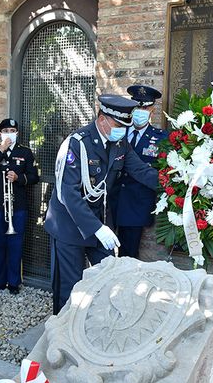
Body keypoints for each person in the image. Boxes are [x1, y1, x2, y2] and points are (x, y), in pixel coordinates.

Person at [45, 94, 158, 314]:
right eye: (118, 125)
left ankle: (94, 329)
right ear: (103, 118)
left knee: (108, 278)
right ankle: (61, 336)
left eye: (126, 126)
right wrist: (98, 229)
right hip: (69, 224)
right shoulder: (77, 143)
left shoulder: (120, 142)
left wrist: (181, 182)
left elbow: (141, 171)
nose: (123, 131)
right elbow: (68, 193)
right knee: (70, 286)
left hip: (99, 221)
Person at [0, 118, 39, 295]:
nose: (9, 133)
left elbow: (34, 176)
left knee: (15, 244)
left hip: (18, 204)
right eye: (5, 130)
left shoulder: (26, 152)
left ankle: (13, 282)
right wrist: (1, 149)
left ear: (17, 133)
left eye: (12, 130)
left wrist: (19, 178)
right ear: (0, 133)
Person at [111, 85, 168, 258]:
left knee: (128, 253)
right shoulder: (118, 132)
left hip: (137, 203)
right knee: (104, 252)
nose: (140, 111)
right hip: (112, 199)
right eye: (137, 107)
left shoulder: (161, 138)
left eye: (144, 107)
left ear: (152, 109)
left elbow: (161, 171)